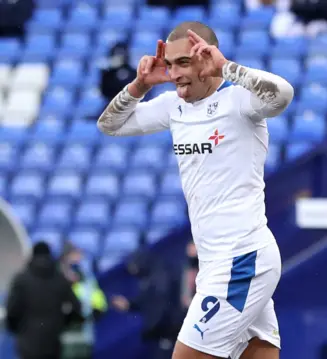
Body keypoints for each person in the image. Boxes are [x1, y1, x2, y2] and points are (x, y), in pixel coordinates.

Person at [96, 20, 294, 359]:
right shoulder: (174, 107)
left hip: (241, 258)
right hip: (215, 263)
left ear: (208, 58)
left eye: (183, 62)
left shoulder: (239, 102)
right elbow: (108, 125)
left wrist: (227, 67)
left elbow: (283, 94)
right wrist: (141, 84)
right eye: (170, 64)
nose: (174, 74)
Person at [5, 241, 83, 359]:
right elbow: (77, 308)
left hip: (27, 342)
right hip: (52, 342)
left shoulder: (21, 280)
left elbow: (12, 311)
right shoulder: (60, 280)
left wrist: (16, 329)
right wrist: (63, 323)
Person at [111, 251, 180, 359]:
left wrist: (153, 328)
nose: (132, 269)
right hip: (159, 333)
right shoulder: (149, 278)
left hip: (166, 331)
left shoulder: (159, 278)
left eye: (133, 265)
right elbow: (147, 302)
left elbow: (159, 305)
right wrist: (129, 305)